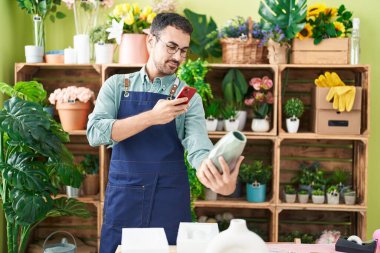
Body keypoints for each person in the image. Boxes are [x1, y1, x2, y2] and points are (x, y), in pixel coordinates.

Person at [86, 12, 244, 253]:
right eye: (171, 47)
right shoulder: (117, 86)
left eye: (183, 50)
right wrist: (151, 117)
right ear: (151, 41)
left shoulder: (188, 98)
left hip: (168, 202)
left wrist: (213, 176)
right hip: (124, 199)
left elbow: (198, 147)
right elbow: (95, 133)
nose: (178, 57)